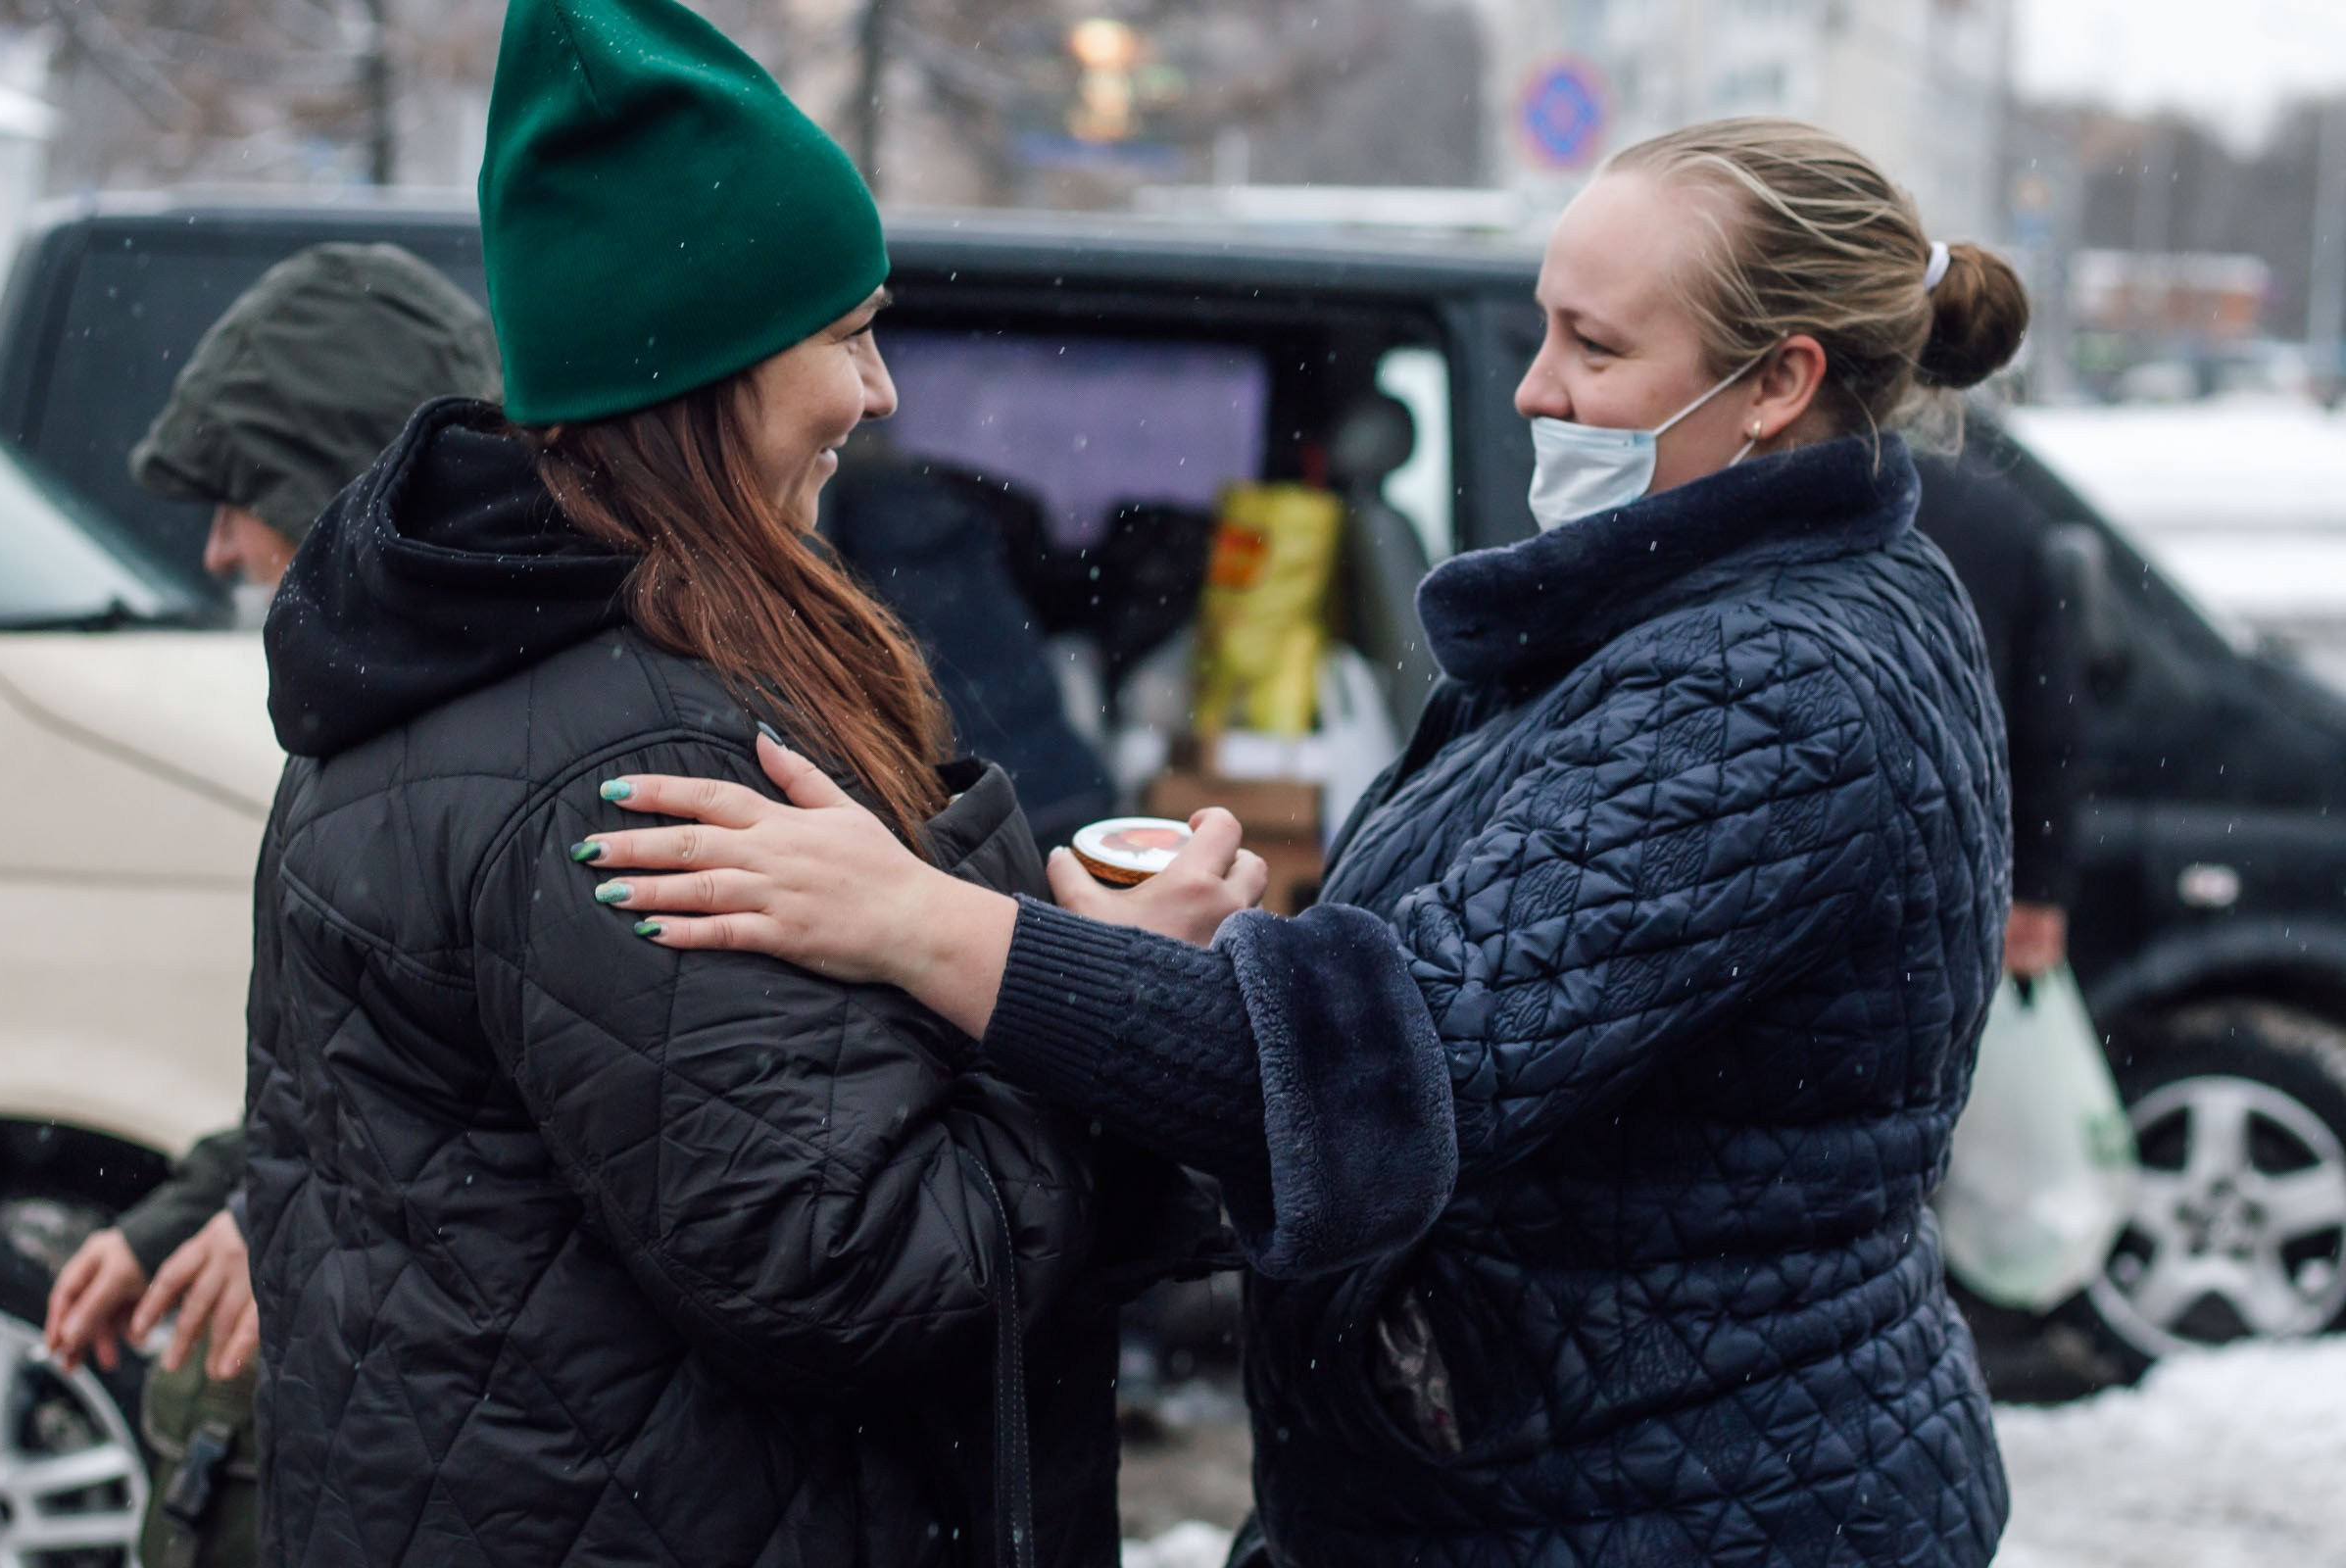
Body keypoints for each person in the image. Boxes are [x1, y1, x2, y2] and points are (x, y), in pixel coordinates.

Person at [575, 118, 2030, 1567]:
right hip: (1569, 1486)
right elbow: (1491, 1014)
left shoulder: (1766, 681)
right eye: (1544, 328)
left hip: (1661, 1513)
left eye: (1594, 348)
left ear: (1779, 383)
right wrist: (1191, 972)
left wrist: (912, 922)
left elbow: (1373, 1084)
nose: (1536, 387)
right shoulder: (1732, 604)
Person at [241, 1, 1222, 1563]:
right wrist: (1103, 1007)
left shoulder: (453, 654)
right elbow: (855, 1272)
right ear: (707, 372)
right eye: (846, 336)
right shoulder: (637, 762)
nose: (881, 392)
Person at [41, 240, 500, 1568]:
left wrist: (297, 1224)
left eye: (241, 494)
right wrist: (200, 1209)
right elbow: (337, 1073)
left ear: (339, 483)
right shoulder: (376, 720)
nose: (219, 546)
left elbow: (523, 1125)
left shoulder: (464, 748)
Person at [1915, 440, 2084, 978]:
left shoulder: (1775, 487)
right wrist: (2038, 881)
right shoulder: (1989, 505)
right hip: (1961, 861)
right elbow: (2049, 721)